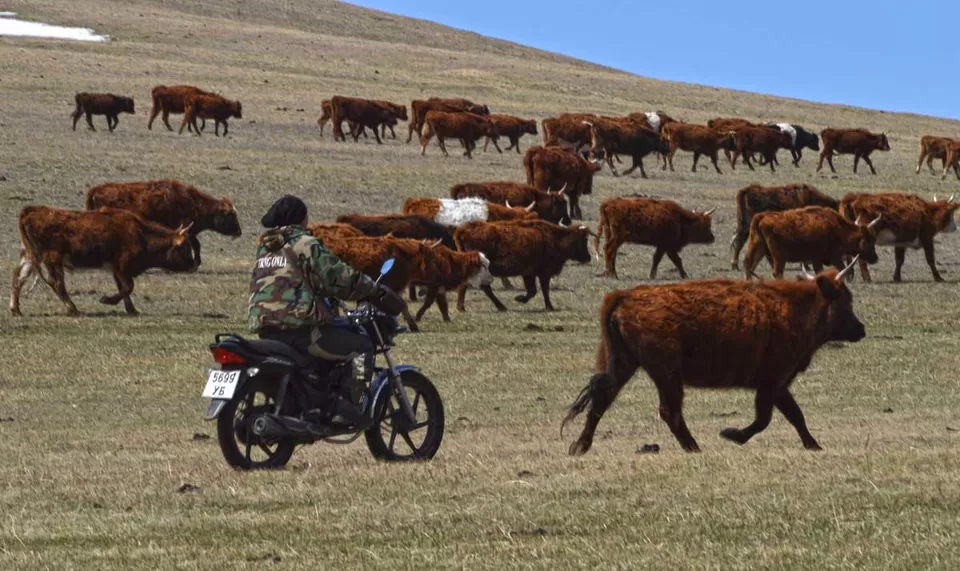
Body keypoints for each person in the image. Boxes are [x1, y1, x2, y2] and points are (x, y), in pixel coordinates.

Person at [248, 194, 405, 361]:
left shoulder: (265, 248)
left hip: (266, 330)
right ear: (301, 219)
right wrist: (372, 289)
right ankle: (353, 388)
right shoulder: (306, 243)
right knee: (363, 345)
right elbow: (341, 278)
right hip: (301, 330)